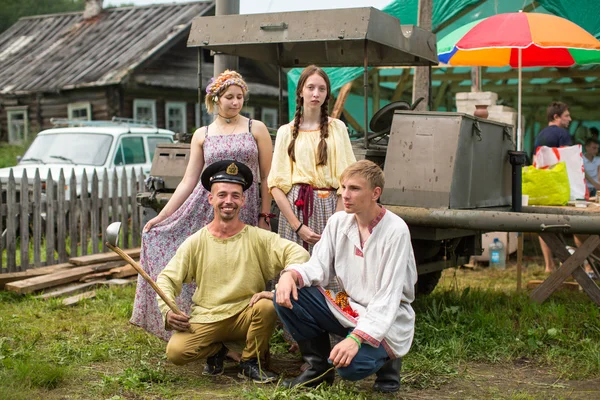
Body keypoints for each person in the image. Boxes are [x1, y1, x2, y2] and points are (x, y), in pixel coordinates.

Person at [131, 70, 274, 341]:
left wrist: (265, 213)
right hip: (205, 205)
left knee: (241, 264)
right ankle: (201, 326)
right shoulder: (202, 134)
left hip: (244, 203)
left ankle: (243, 328)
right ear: (216, 99)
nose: (235, 102)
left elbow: (267, 176)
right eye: (229, 97)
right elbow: (188, 180)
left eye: (240, 97)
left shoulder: (255, 128)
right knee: (205, 266)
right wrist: (162, 216)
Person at [157, 160, 309, 383]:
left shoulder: (258, 237)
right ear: (211, 199)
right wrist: (167, 310)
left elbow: (300, 255)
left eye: (235, 195)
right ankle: (217, 352)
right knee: (176, 353)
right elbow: (166, 279)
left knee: (267, 305)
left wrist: (284, 281)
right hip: (208, 317)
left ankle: (250, 362)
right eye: (222, 195)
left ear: (243, 200)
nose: (229, 201)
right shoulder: (195, 242)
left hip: (246, 315)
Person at [274, 160, 418, 393]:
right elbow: (318, 267)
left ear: (375, 193)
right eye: (343, 187)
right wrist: (290, 274)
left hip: (388, 315)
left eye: (354, 188)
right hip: (349, 306)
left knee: (349, 368)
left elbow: (388, 297)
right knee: (289, 294)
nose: (345, 194)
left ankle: (388, 369)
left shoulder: (395, 230)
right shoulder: (338, 221)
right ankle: (317, 370)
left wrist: (356, 339)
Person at [268, 65, 357, 255]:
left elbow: (347, 181)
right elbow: (275, 185)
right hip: (296, 210)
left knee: (330, 272)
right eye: (310, 88)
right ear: (300, 91)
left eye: (321, 89)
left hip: (331, 208)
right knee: (295, 269)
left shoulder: (338, 128)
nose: (316, 93)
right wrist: (297, 226)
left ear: (327, 94)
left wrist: (334, 226)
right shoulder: (286, 132)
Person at [535, 101, 572, 273]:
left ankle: (549, 266)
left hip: (542, 186)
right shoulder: (562, 134)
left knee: (544, 226)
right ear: (556, 117)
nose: (570, 119)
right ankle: (582, 265)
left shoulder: (540, 134)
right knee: (576, 227)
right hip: (558, 186)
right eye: (566, 116)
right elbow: (568, 161)